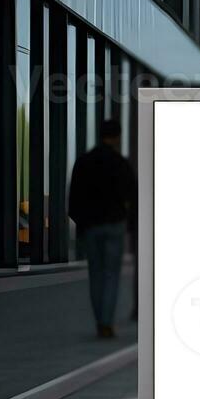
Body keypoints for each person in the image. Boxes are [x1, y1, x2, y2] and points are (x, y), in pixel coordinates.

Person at [68, 118, 135, 339]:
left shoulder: (83, 162)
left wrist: (82, 223)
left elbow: (74, 199)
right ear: (117, 137)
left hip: (91, 227)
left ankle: (100, 321)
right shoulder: (121, 164)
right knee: (111, 275)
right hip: (114, 225)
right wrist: (127, 222)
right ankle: (106, 322)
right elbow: (132, 196)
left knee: (95, 274)